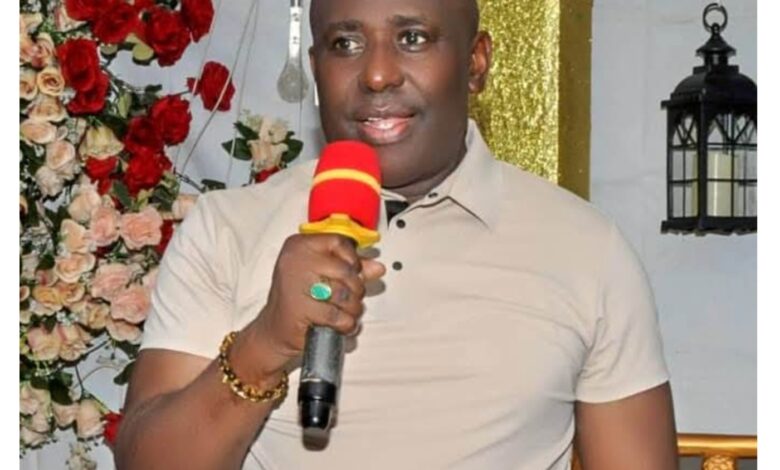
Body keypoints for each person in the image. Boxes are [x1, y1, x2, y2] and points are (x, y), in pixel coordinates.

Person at [115, 0, 679, 468]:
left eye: (412, 38)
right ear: (316, 68)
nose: (377, 74)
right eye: (345, 43)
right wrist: (265, 343)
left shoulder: (588, 249)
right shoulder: (227, 229)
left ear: (476, 62)